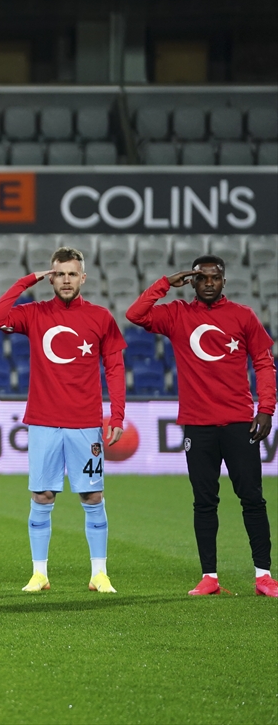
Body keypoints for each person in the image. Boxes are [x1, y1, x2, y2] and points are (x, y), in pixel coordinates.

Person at [127, 255, 276, 598]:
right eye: (202, 278)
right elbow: (135, 314)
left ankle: (264, 577)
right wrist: (165, 282)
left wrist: (266, 408)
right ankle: (209, 577)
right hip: (198, 425)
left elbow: (265, 364)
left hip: (240, 422)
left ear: (224, 281)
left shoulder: (243, 316)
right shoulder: (177, 314)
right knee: (204, 501)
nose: (209, 283)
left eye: (215, 277)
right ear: (192, 282)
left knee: (252, 498)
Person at [0, 247, 126, 594]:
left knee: (92, 497)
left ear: (83, 277)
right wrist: (26, 280)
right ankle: (39, 574)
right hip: (44, 421)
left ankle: (99, 574)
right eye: (59, 273)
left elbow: (115, 367)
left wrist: (118, 414)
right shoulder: (34, 313)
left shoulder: (100, 317)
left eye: (71, 273)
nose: (66, 280)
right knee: (43, 494)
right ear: (51, 277)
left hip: (85, 423)